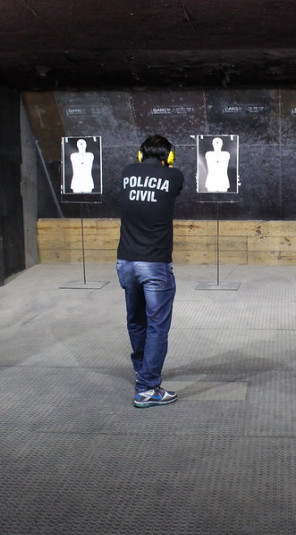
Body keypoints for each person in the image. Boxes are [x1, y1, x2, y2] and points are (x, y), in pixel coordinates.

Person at [117, 135, 184, 408]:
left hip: (126, 262)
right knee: (157, 326)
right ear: (169, 158)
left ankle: (141, 370)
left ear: (140, 155)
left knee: (136, 320)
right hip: (155, 264)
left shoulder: (127, 173)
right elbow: (171, 187)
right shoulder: (174, 177)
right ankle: (147, 387)